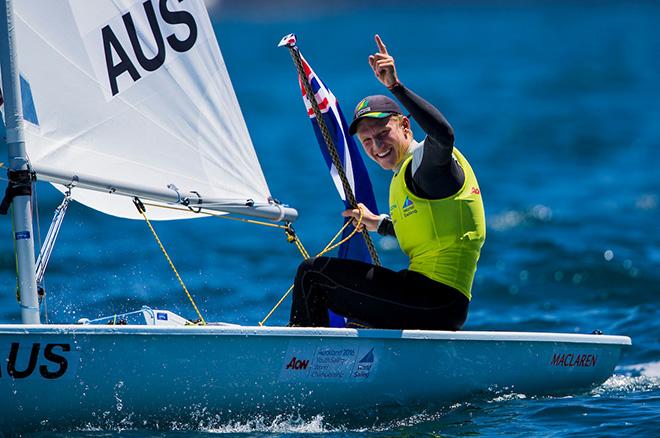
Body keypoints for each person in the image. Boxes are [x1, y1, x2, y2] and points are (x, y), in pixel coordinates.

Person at [288, 35, 485, 330]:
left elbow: (443, 135)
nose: (376, 146)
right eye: (367, 141)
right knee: (355, 320)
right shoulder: (407, 174)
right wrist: (377, 223)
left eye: (382, 134)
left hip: (435, 300)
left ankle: (301, 363)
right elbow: (429, 227)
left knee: (312, 276)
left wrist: (396, 87)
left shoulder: (427, 165)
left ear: (405, 125)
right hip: (428, 298)